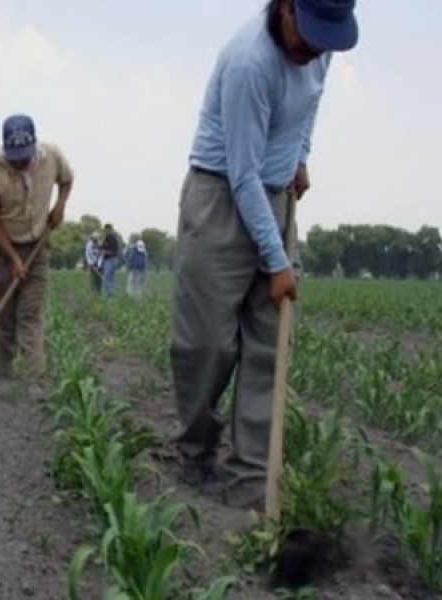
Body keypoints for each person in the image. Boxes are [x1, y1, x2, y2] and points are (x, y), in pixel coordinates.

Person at [169, 0, 358, 509]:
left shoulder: (321, 44)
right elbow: (242, 172)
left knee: (269, 345)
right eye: (308, 35)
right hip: (221, 197)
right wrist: (276, 261)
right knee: (207, 342)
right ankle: (195, 453)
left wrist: (300, 156)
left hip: (275, 194)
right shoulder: (249, 61)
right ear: (286, 7)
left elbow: (312, 102)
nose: (314, 49)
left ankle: (252, 475)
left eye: (326, 38)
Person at [0, 114, 74, 383]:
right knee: (2, 321)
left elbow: (66, 179)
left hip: (38, 246)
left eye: (24, 156)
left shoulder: (51, 155)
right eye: (15, 157)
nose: (20, 162)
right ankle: (2, 380)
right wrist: (11, 257)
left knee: (30, 316)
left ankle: (34, 382)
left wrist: (60, 206)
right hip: (2, 248)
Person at [100, 223, 120, 297]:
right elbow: (105, 247)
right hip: (113, 260)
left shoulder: (110, 237)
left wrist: (103, 252)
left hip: (110, 260)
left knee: (106, 278)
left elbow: (113, 251)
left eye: (105, 230)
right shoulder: (112, 237)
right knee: (110, 278)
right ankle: (111, 294)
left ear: (108, 229)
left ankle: (105, 296)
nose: (104, 231)